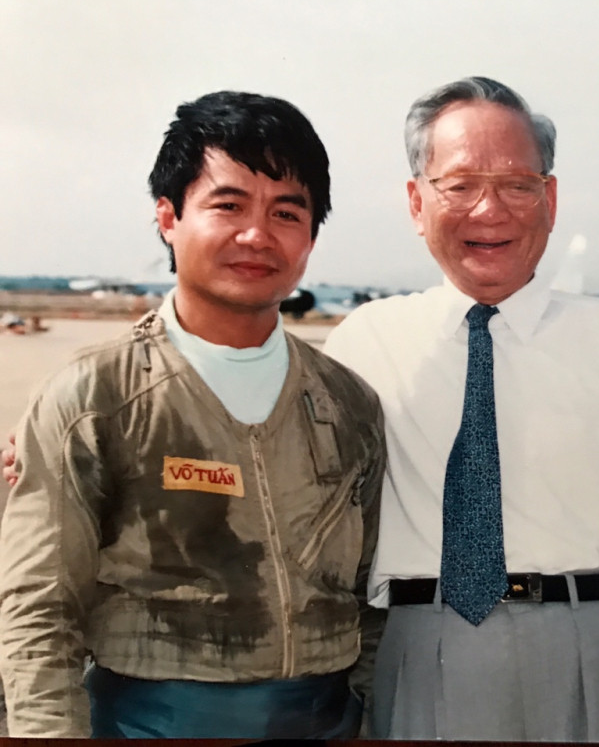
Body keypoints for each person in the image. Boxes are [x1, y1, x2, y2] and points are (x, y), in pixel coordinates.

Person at [322, 77, 599, 743]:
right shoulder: (365, 343)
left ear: (550, 200)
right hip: (422, 654)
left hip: (589, 653)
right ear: (417, 202)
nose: (489, 210)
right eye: (461, 184)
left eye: (517, 185)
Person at [0, 91, 386, 738]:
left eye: (287, 212)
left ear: (311, 236)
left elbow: (375, 607)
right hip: (145, 722)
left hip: (326, 723)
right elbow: (40, 611)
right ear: (169, 217)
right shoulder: (92, 396)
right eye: (228, 205)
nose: (257, 235)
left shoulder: (348, 404)